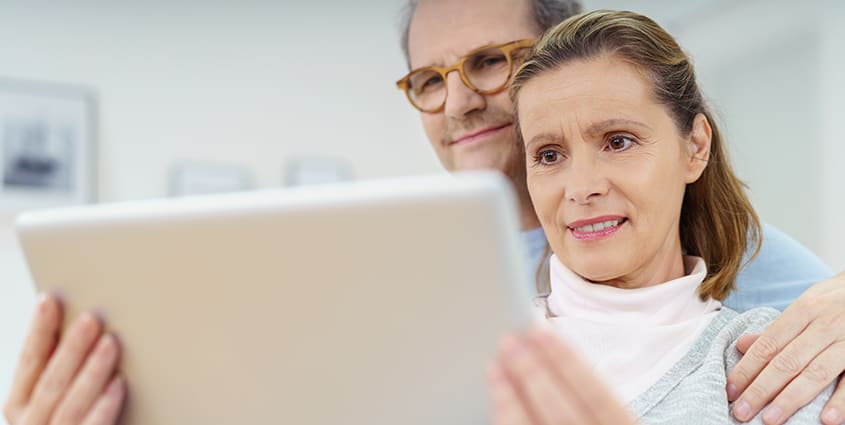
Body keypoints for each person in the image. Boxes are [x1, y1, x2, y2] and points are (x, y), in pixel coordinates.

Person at [3, 1, 844, 424]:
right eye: (428, 80)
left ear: (692, 146)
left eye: (487, 63)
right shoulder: (414, 321)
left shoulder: (754, 343)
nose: (458, 103)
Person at [397, 0, 845, 423]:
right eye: (549, 155)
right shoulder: (457, 358)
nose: (582, 188)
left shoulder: (760, 360)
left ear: (695, 146)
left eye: (618, 142)